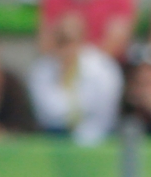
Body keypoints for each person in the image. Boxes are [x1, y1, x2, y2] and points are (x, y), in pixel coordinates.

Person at [27, 10, 124, 143]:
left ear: (82, 38)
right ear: (54, 39)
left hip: (99, 138)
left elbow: (105, 115)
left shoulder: (104, 68)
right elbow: (47, 115)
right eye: (62, 40)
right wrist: (62, 76)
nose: (67, 47)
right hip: (54, 137)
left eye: (71, 40)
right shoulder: (41, 70)